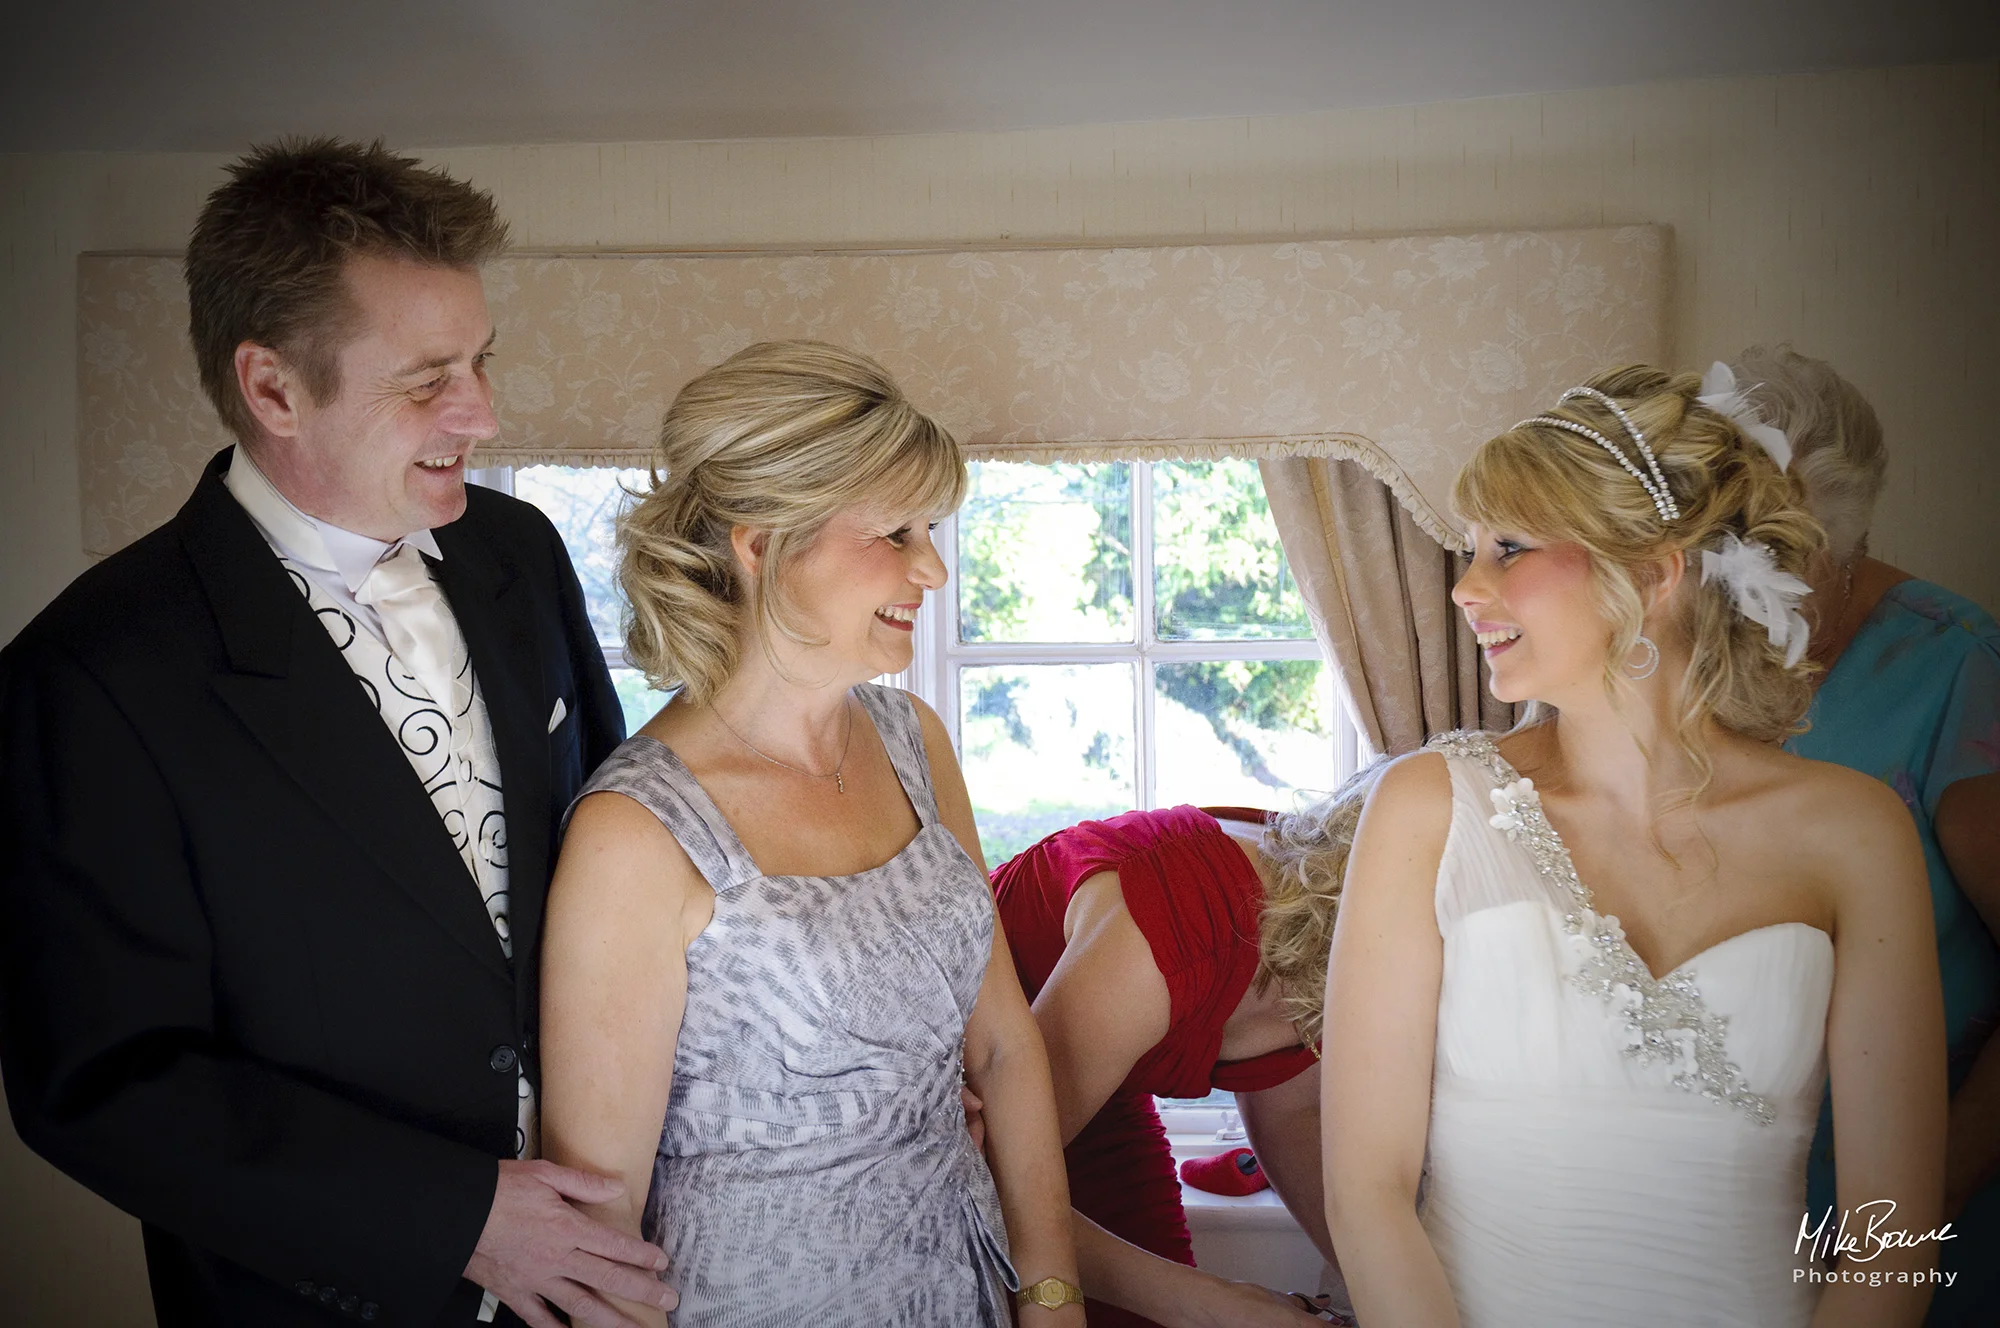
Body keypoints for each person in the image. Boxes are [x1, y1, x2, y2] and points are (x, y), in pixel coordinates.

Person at [0, 139, 666, 1327]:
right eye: (427, 380)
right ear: (272, 389)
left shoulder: (520, 558)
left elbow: (616, 871)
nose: (483, 411)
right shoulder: (91, 674)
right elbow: (103, 1081)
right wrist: (454, 1215)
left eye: (480, 361)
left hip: (604, 1275)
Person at [1321, 365, 1948, 1326]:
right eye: (1472, 550)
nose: (1465, 589)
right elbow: (1367, 1191)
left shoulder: (1858, 834)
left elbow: (1894, 1239)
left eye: (1509, 548)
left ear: (1653, 575)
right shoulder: (1427, 809)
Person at [537, 340, 1084, 1327]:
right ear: (762, 543)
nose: (933, 566)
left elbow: (1002, 1043)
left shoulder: (911, 739)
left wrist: (1050, 1295)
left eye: (931, 528)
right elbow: (598, 1224)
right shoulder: (637, 832)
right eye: (896, 531)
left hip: (968, 1287)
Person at [1724, 345, 2000, 1326]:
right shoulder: (1686, 656)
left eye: (1794, 568)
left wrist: (1933, 1189)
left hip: (1910, 1195)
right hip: (1726, 1189)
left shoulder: (1953, 666)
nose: (1761, 614)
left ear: (1848, 542)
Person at [991, 782, 1378, 1328]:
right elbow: (986, 1182)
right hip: (960, 1089)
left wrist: (1380, 1294)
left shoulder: (1329, 954)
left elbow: (1293, 1112)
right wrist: (1223, 1303)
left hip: (1097, 1082)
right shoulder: (1185, 921)